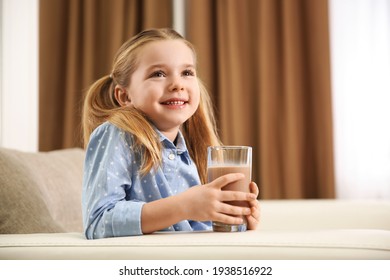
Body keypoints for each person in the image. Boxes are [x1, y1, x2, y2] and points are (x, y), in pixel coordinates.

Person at [82, 28, 260, 239]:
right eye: (158, 74)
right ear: (124, 96)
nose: (177, 84)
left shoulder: (191, 149)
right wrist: (184, 206)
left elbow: (195, 227)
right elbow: (99, 221)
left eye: (187, 73)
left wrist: (233, 216)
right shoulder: (118, 134)